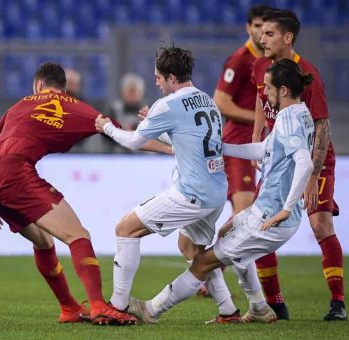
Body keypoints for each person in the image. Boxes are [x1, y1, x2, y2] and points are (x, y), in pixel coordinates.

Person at [0, 63, 170, 325]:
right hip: (16, 174)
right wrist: (170, 150)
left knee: (43, 242)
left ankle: (69, 308)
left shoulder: (19, 105)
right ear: (64, 89)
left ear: (38, 85)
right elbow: (127, 137)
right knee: (79, 236)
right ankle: (99, 306)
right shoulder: (75, 106)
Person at [127, 58, 315, 325]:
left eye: (269, 89)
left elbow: (304, 162)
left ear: (284, 90)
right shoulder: (299, 114)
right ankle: (259, 308)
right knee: (227, 232)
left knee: (202, 261)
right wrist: (221, 147)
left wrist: (286, 209)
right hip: (262, 211)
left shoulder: (288, 119)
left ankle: (151, 309)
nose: (265, 94)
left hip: (271, 217)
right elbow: (264, 149)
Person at [95, 46, 240, 324]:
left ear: (172, 77)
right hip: (217, 191)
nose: (156, 83)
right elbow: (184, 140)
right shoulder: (206, 100)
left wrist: (107, 127)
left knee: (125, 229)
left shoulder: (168, 104)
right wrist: (158, 124)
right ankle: (228, 310)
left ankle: (118, 305)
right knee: (192, 249)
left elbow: (134, 142)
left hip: (191, 193)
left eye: (159, 78)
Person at [252, 8, 345, 321]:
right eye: (261, 32)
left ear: (287, 38)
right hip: (278, 162)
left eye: (269, 34)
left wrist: (312, 174)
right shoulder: (260, 67)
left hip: (314, 162)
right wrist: (256, 139)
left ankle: (337, 303)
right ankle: (276, 306)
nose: (261, 38)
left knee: (320, 225)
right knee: (260, 226)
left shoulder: (308, 73)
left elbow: (322, 125)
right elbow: (259, 102)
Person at [214, 4, 269, 216]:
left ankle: (208, 251)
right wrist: (260, 120)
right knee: (244, 214)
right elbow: (220, 102)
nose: (261, 31)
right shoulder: (240, 60)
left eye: (266, 26)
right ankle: (207, 252)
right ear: (248, 28)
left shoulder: (270, 61)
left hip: (260, 145)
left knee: (254, 216)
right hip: (239, 144)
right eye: (257, 25)